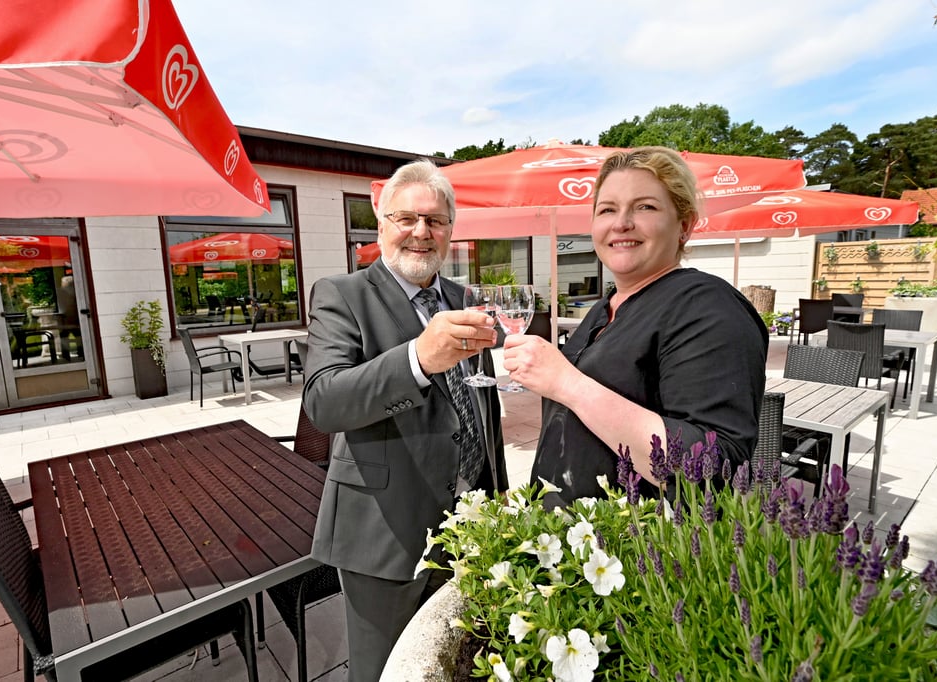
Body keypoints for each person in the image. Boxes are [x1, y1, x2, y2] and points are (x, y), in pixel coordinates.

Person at [302, 159, 507, 681]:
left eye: (435, 221)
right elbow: (323, 401)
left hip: (470, 527)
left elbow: (482, 406)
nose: (421, 232)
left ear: (450, 230)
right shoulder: (342, 294)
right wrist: (417, 359)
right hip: (384, 533)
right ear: (381, 224)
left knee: (460, 662)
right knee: (382, 672)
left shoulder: (463, 299)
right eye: (407, 218)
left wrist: (499, 496)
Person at [503, 147, 767, 505]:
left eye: (645, 207)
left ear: (685, 225)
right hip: (562, 532)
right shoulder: (607, 306)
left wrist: (567, 383)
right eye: (607, 209)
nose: (621, 223)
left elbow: (715, 470)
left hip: (634, 538)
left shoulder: (707, 307)